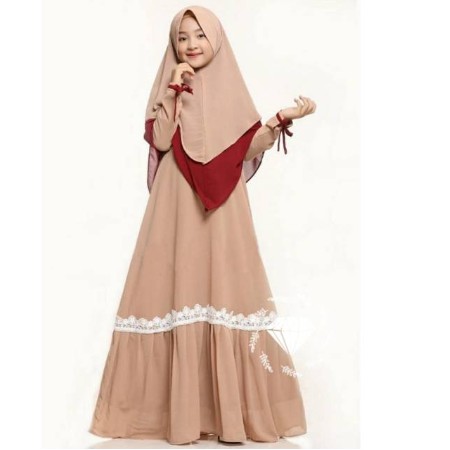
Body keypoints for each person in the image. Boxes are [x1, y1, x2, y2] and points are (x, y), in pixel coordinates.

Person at [89, 5, 316, 445]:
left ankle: (230, 415)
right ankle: (172, 415)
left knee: (227, 289)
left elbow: (245, 146)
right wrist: (175, 88)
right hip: (175, 203)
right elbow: (160, 138)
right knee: (170, 288)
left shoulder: (231, 87)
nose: (191, 44)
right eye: (182, 37)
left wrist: (281, 118)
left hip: (225, 206)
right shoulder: (170, 82)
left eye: (199, 35)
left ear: (216, 39)